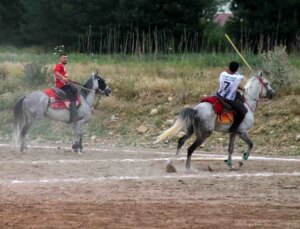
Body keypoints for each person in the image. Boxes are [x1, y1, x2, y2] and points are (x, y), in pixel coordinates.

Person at [217, 61, 248, 133]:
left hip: (219, 95)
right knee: (244, 111)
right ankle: (234, 128)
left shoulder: (223, 74)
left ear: (229, 67)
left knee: (237, 94)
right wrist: (242, 88)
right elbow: (245, 79)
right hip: (228, 99)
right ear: (236, 69)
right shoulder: (238, 77)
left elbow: (228, 74)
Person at [53, 53, 78, 123]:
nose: (65, 59)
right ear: (60, 58)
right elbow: (56, 73)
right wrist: (63, 78)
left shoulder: (62, 66)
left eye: (66, 58)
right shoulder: (59, 65)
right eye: (64, 58)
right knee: (72, 97)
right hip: (61, 86)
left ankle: (74, 107)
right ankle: (73, 117)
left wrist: (68, 80)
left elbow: (63, 76)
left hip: (65, 84)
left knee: (75, 89)